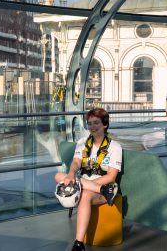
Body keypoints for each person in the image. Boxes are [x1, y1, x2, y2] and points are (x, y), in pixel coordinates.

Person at [55, 108, 122, 251]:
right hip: (89, 185)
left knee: (84, 195)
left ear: (105, 124)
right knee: (58, 176)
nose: (92, 127)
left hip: (106, 184)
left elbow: (111, 176)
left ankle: (78, 243)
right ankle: (101, 190)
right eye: (90, 123)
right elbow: (76, 162)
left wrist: (85, 185)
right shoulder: (83, 142)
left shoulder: (114, 147)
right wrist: (72, 174)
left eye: (96, 123)